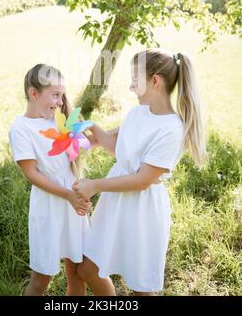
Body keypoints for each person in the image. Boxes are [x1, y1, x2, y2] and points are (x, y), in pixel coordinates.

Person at [73, 49, 206, 296]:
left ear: (154, 81)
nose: (131, 86)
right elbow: (119, 149)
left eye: (135, 79)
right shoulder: (137, 113)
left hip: (142, 210)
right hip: (115, 202)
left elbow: (143, 179)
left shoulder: (172, 129)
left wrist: (94, 185)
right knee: (87, 269)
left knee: (140, 287)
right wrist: (88, 127)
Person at [9, 63, 91, 296]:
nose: (59, 101)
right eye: (55, 95)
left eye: (61, 95)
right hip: (50, 206)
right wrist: (68, 196)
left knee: (76, 272)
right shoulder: (21, 128)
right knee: (41, 279)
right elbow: (31, 174)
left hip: (73, 201)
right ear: (33, 93)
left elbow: (80, 144)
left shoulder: (58, 120)